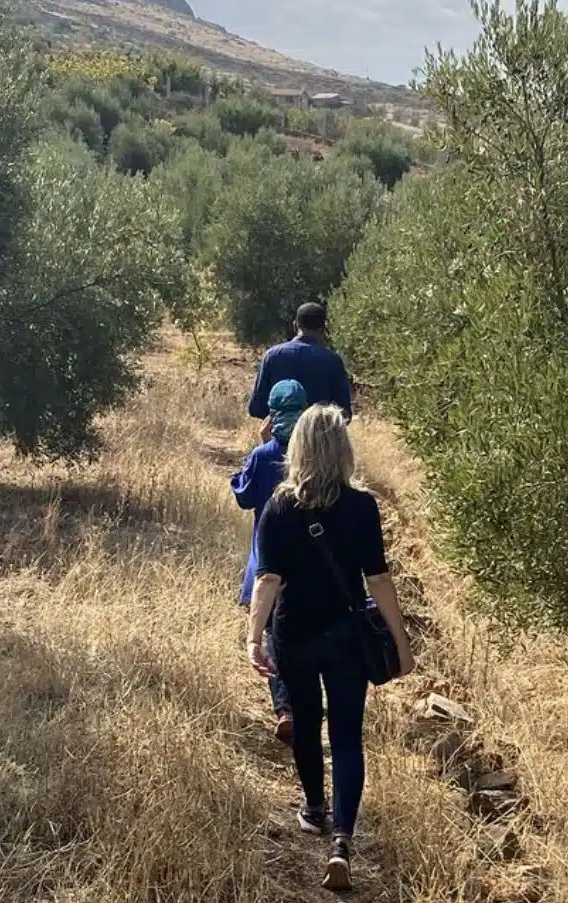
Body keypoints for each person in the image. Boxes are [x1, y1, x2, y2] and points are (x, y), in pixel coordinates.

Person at [246, 404, 415, 891]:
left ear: (296, 447)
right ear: (343, 449)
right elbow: (379, 580)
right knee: (346, 737)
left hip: (294, 633)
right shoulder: (362, 506)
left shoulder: (280, 506)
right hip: (346, 637)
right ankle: (342, 839)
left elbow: (269, 579)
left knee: (304, 722)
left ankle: (314, 810)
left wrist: (253, 636)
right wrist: (400, 642)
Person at [231, 378, 309, 742]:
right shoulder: (313, 457)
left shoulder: (263, 457)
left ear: (273, 415)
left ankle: (285, 708)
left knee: (275, 635)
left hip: (268, 560)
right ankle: (307, 703)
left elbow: (244, 497)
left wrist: (258, 448)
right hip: (309, 560)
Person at [247, 302, 353, 442]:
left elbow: (256, 408)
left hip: (278, 445)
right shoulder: (332, 361)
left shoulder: (272, 356)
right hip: (317, 449)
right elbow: (343, 415)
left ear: (295, 325)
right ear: (324, 328)